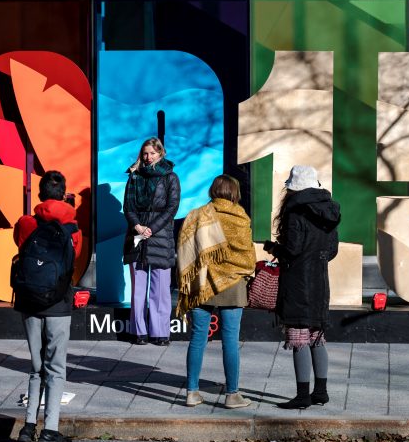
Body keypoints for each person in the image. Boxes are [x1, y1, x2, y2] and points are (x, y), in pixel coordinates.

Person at [13, 170, 82, 442]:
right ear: (64, 194)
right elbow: (74, 258)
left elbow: (18, 243)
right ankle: (50, 430)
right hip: (58, 304)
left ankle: (28, 427)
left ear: (40, 195)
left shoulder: (26, 223)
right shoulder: (73, 228)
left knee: (35, 367)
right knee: (56, 368)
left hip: (29, 303)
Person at [176, 175, 256, 408]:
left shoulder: (198, 215)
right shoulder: (241, 218)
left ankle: (192, 392)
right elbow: (247, 254)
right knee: (230, 340)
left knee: (198, 338)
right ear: (235, 193)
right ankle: (232, 395)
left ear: (213, 191)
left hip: (202, 286)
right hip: (232, 286)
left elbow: (186, 249)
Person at [264, 165, 340, 410]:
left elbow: (293, 249)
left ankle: (302, 395)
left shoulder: (295, 211)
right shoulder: (328, 210)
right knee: (317, 336)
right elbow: (332, 251)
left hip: (298, 282)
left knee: (298, 338)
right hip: (320, 280)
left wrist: (274, 248)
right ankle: (321, 392)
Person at [123, 137, 181, 346]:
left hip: (161, 236)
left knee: (160, 288)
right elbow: (128, 206)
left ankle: (160, 332)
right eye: (145, 153)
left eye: (152, 153)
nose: (148, 157)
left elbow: (172, 207)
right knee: (138, 287)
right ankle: (138, 331)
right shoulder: (135, 176)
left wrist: (152, 229)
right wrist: (138, 227)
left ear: (161, 153)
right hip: (136, 236)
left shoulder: (170, 177)